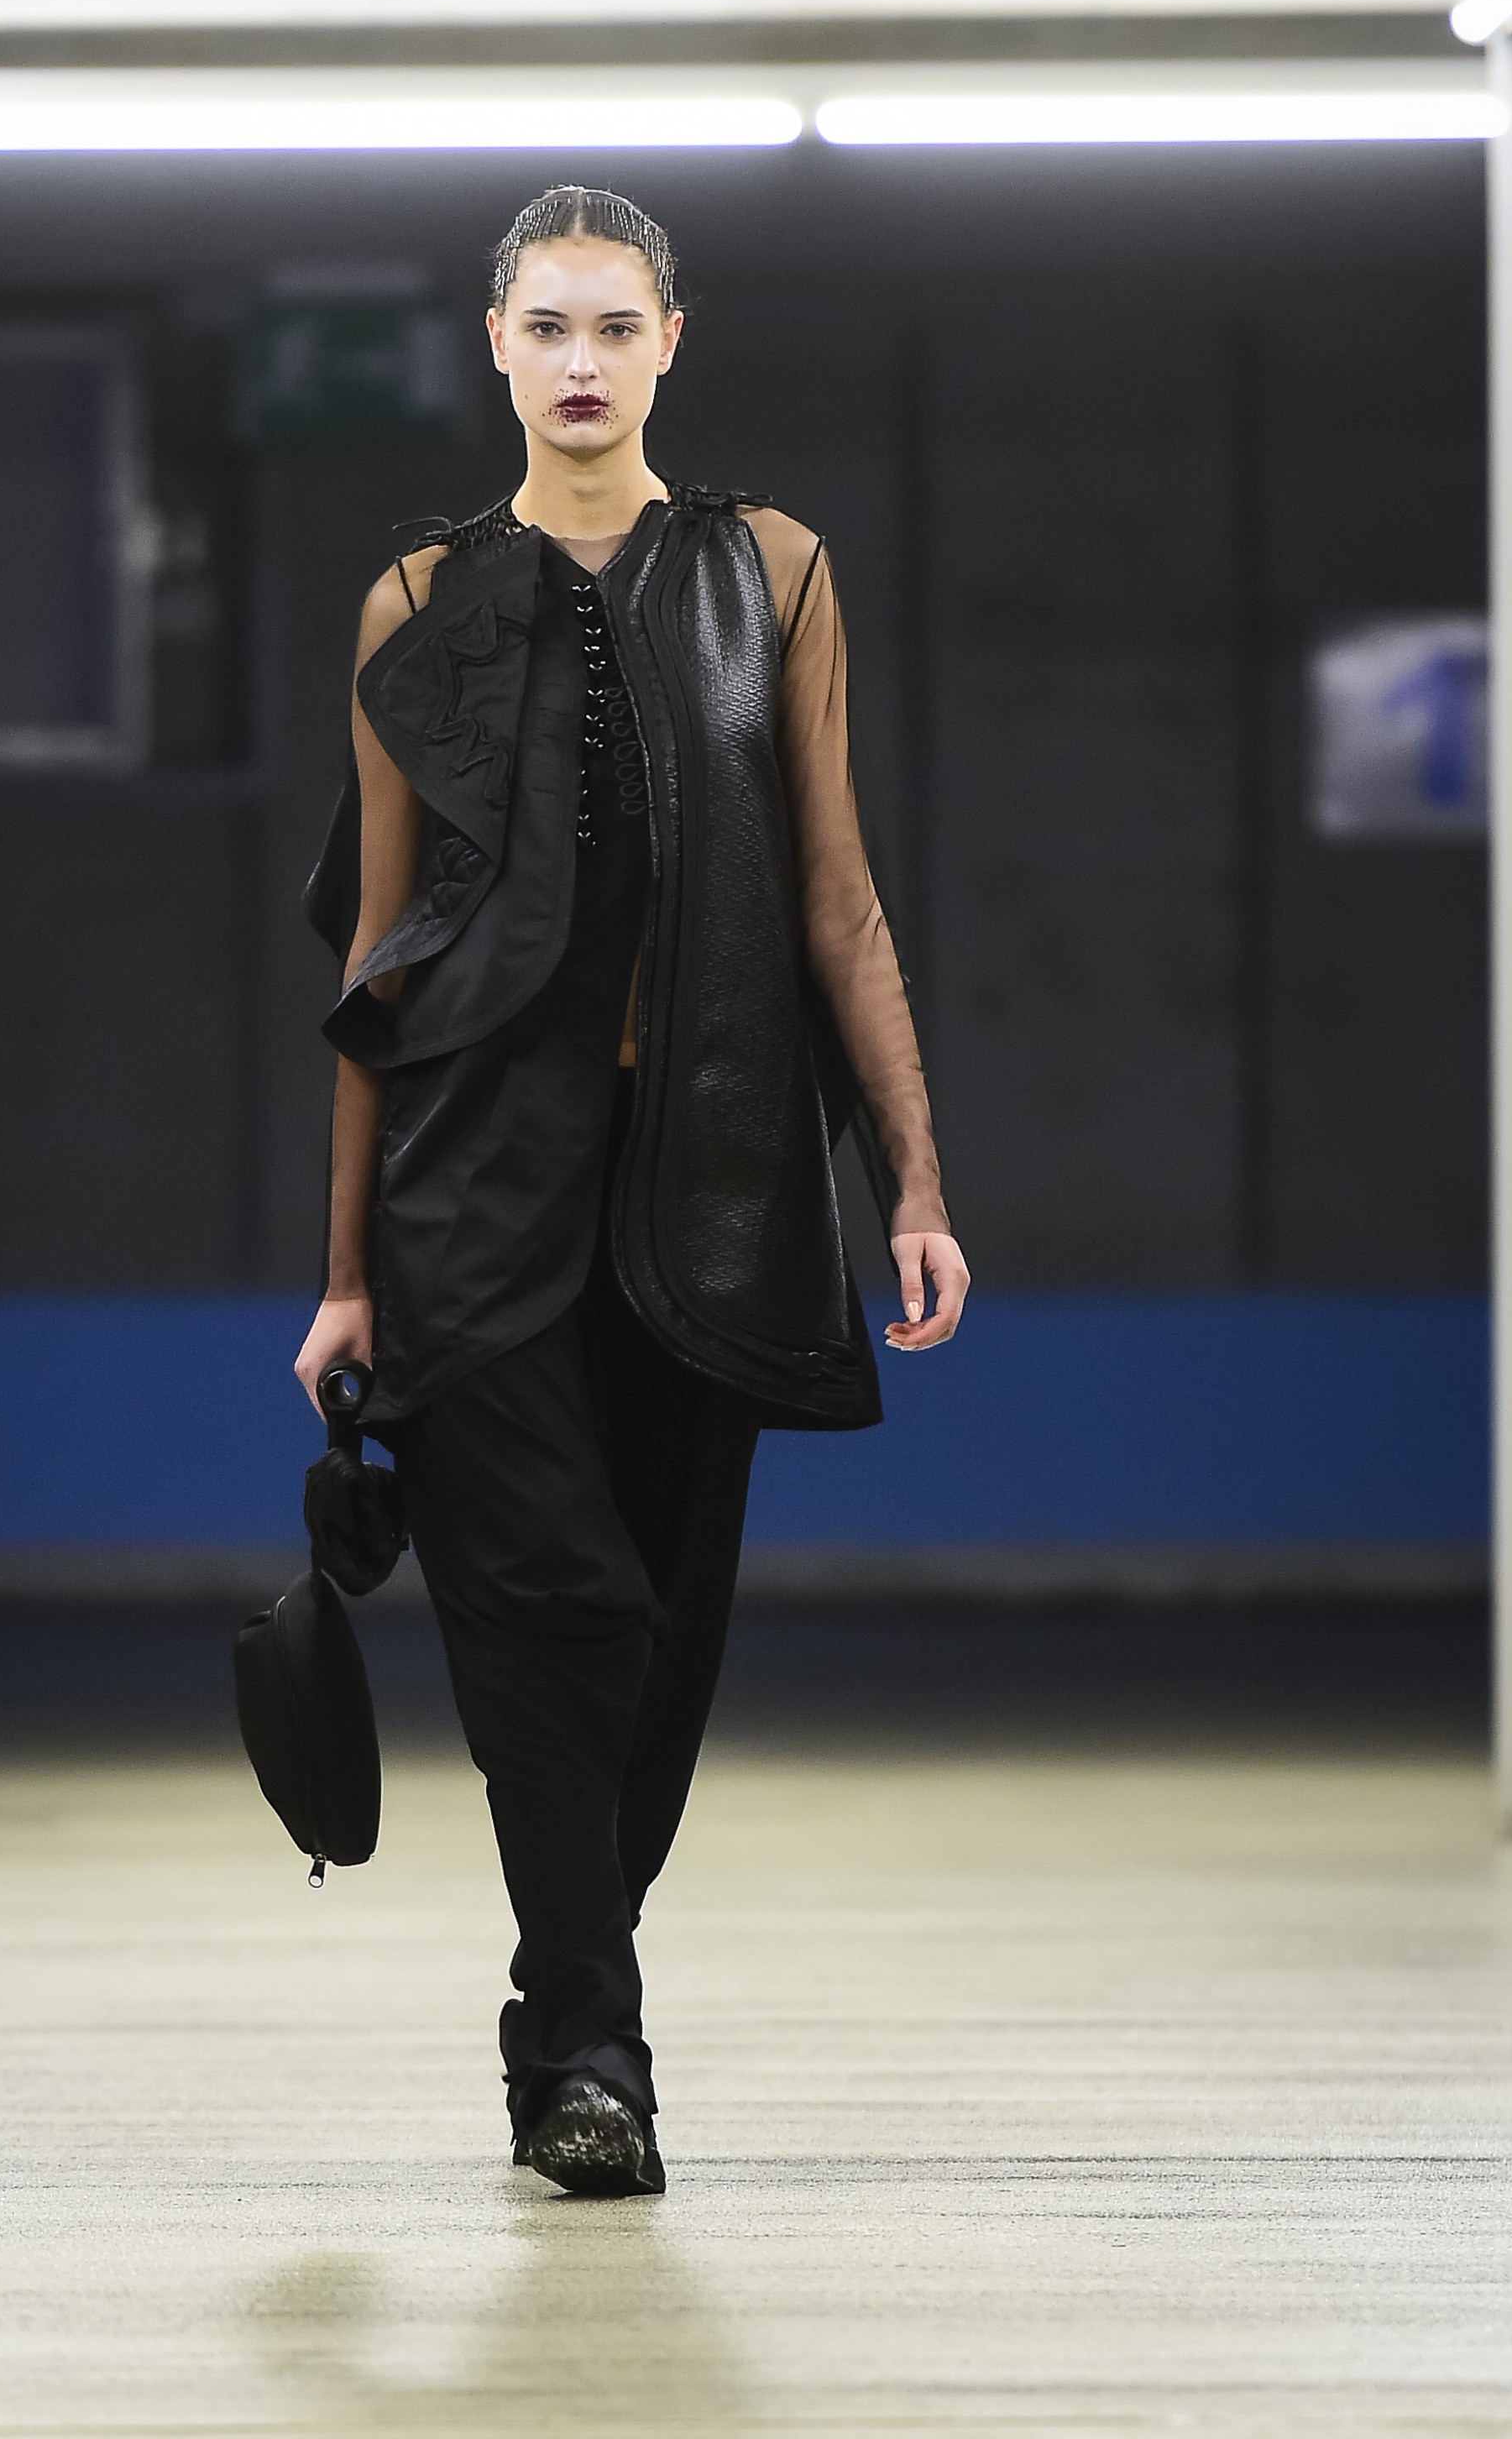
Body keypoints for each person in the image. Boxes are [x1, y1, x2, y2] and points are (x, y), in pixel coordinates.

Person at [296, 186, 968, 2198]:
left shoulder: (773, 570)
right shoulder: (415, 600)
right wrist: (345, 1269)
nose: (579, 360)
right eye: (545, 326)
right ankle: (589, 2052)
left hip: (717, 1180)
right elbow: (377, 953)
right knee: (547, 1607)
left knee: (656, 1631)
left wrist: (912, 1177)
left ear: (672, 339)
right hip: (471, 1183)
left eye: (613, 324)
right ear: (493, 346)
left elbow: (836, 897)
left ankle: (568, 1992)